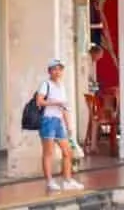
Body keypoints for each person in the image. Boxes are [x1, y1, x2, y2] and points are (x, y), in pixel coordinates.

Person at [35, 59, 84, 192]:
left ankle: (67, 181)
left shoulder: (61, 86)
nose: (57, 72)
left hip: (58, 122)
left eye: (59, 69)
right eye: (54, 69)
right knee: (48, 153)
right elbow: (39, 101)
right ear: (49, 71)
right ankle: (50, 181)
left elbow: (64, 107)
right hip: (47, 121)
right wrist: (55, 102)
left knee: (67, 151)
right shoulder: (46, 84)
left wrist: (69, 125)